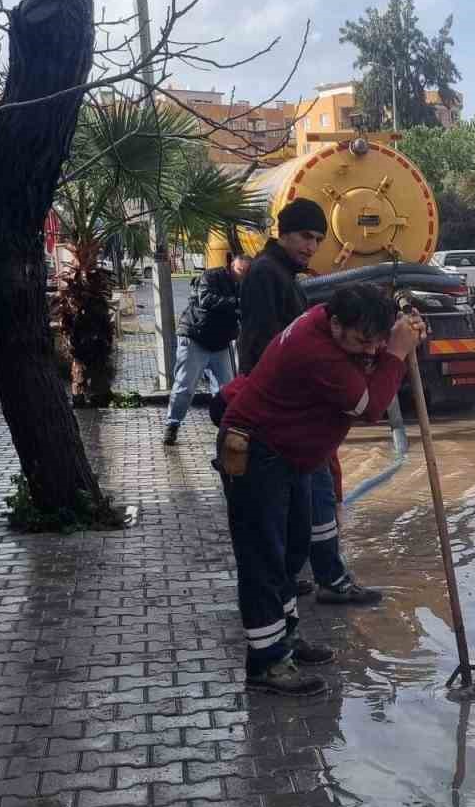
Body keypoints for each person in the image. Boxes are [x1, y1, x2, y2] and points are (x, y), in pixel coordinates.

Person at [218, 284, 424, 697]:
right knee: (263, 560)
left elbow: (376, 362)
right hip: (257, 453)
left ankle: (285, 641)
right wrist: (396, 353)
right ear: (335, 324)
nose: (369, 351)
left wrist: (402, 338)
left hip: (289, 456)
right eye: (362, 342)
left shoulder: (330, 324)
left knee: (292, 553)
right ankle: (267, 663)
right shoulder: (316, 352)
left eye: (377, 341)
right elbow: (370, 407)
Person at [237, 197, 380, 607]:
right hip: (286, 411)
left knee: (312, 497)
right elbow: (267, 344)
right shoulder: (268, 275)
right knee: (316, 495)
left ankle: (299, 576)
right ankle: (327, 580)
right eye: (304, 236)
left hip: (291, 409)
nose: (311, 246)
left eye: (317, 238)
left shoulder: (282, 273)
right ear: (283, 232)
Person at [162, 253, 251, 445]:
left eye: (246, 273)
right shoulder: (211, 276)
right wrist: (236, 304)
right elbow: (206, 299)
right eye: (239, 271)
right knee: (185, 386)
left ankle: (227, 427)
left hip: (221, 342)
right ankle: (173, 425)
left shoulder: (246, 285)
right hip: (196, 336)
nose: (242, 276)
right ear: (231, 266)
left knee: (227, 388)